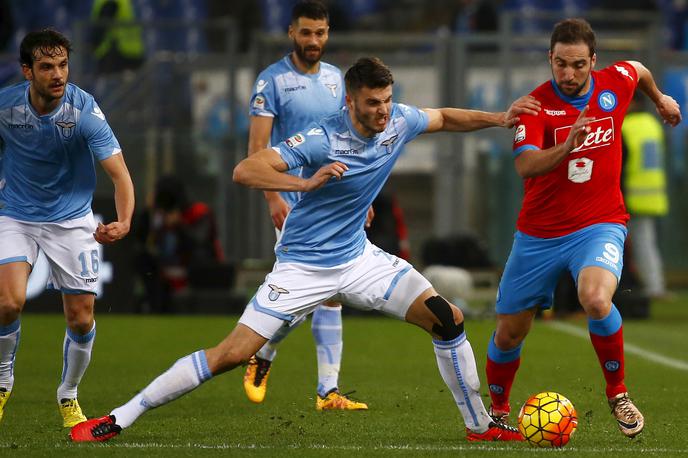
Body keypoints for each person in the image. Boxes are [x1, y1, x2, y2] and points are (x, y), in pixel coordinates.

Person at [69, 56, 539, 443]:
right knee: (231, 354)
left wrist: (500, 118)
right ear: (350, 102)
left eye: (387, 101)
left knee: (448, 318)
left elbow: (442, 117)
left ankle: (481, 426)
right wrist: (303, 182)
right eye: (373, 103)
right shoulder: (320, 138)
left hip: (359, 260)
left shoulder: (398, 120)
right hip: (302, 267)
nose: (383, 111)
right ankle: (120, 417)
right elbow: (245, 171)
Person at [485, 18, 681, 439]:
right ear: (549, 60)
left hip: (600, 223)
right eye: (560, 64)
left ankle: (618, 393)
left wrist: (661, 98)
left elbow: (640, 68)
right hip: (538, 234)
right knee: (509, 332)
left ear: (593, 61)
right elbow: (526, 164)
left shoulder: (615, 82)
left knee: (594, 298)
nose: (569, 74)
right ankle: (498, 409)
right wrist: (567, 144)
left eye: (577, 65)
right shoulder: (535, 107)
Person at [0, 29, 135, 427]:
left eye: (62, 65)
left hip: (72, 219)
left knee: (81, 319)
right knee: (8, 302)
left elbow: (121, 176)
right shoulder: (6, 107)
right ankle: (3, 380)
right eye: (46, 67)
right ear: (27, 71)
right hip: (16, 214)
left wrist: (124, 221)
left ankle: (69, 394)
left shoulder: (84, 112)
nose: (58, 74)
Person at [243, 0, 367, 410]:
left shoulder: (336, 79)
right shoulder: (271, 81)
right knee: (302, 294)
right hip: (294, 201)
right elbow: (257, 150)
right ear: (291, 33)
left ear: (328, 34)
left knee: (330, 294)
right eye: (306, 33)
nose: (313, 40)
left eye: (320, 33)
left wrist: (358, 197)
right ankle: (263, 354)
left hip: (335, 201)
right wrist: (272, 196)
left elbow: (347, 143)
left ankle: (327, 391)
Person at [134, 175, 225, 313]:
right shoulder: (159, 216)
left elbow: (200, 241)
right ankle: (153, 306)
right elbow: (140, 238)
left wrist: (180, 224)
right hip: (167, 268)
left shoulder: (199, 211)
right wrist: (148, 211)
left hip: (201, 268)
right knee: (143, 259)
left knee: (199, 255)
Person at [622, 95, 669, 299]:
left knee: (634, 243)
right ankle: (654, 284)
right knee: (646, 242)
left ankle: (651, 287)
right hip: (653, 193)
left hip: (630, 193)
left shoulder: (625, 126)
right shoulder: (652, 125)